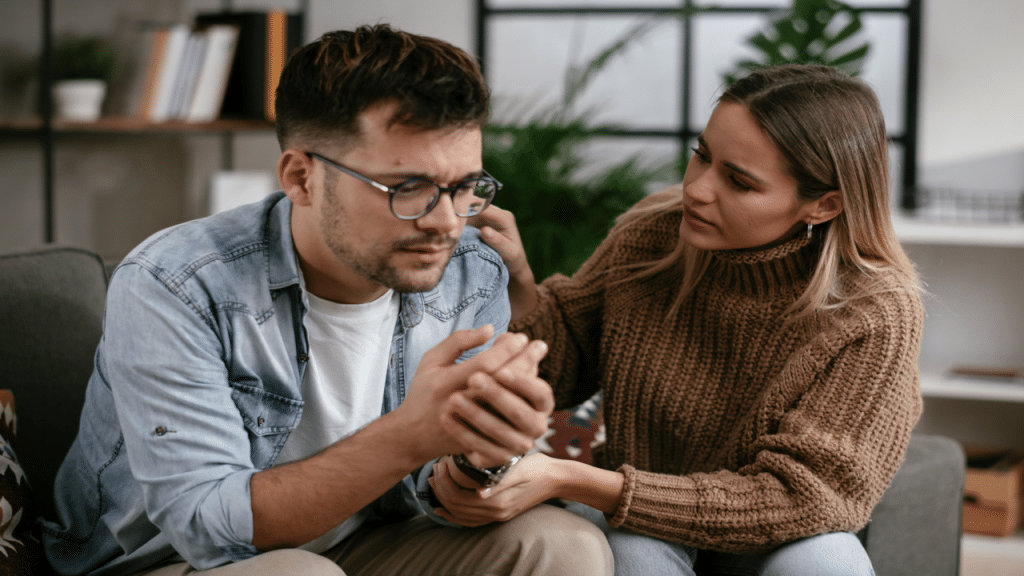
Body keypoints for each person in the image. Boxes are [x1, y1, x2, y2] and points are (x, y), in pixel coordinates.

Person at [40, 25, 612, 576]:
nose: (445, 222)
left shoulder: (472, 267)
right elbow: (207, 527)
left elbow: (436, 487)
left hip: (366, 539)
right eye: (407, 188)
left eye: (464, 187)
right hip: (172, 561)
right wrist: (413, 433)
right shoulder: (175, 284)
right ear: (301, 178)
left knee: (564, 547)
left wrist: (480, 458)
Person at [434, 64, 924, 575]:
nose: (697, 190)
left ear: (823, 206)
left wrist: (573, 480)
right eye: (702, 156)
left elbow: (804, 497)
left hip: (765, 533)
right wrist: (517, 284)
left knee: (827, 563)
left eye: (739, 182)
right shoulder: (655, 236)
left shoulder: (873, 311)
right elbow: (559, 369)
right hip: (638, 521)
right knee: (634, 554)